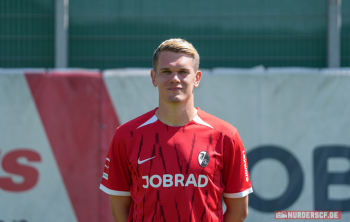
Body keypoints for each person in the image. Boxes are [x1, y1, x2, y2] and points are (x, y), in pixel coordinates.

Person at [100, 38, 253, 222]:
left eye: (183, 72)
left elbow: (239, 212)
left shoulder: (226, 136)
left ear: (197, 78)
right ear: (153, 77)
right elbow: (119, 212)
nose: (174, 78)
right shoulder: (127, 135)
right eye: (166, 71)